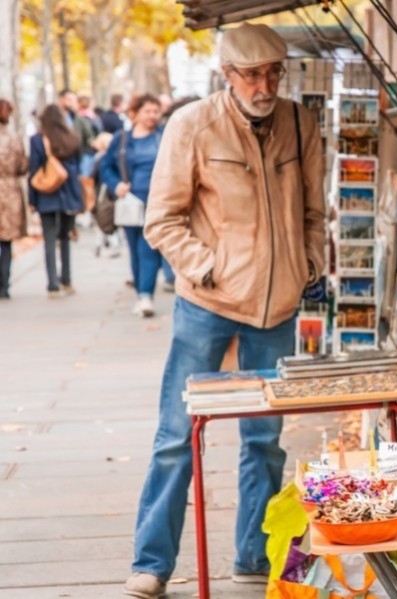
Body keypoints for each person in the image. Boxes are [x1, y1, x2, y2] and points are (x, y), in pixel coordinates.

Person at [124, 23, 325, 599]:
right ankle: (152, 563)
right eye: (252, 74)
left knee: (264, 440)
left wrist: (307, 263)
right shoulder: (191, 124)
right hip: (207, 304)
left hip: (277, 306)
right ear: (228, 75)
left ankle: (253, 558)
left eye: (272, 73)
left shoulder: (299, 123)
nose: (264, 85)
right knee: (175, 435)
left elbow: (314, 210)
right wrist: (206, 266)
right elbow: (160, 219)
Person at [100, 94, 165, 317]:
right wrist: (116, 184)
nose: (152, 116)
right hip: (130, 203)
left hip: (157, 203)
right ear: (135, 113)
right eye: (147, 111)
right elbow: (105, 168)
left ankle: (146, 295)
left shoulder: (164, 136)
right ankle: (141, 293)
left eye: (156, 111)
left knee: (148, 249)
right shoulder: (122, 139)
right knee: (135, 250)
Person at [27, 105, 83, 298]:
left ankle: (52, 284)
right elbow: (77, 170)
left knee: (49, 240)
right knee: (65, 237)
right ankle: (66, 280)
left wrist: (32, 199)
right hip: (68, 193)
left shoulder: (37, 140)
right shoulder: (72, 138)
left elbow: (33, 171)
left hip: (46, 195)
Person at [0, 99, 28, 299]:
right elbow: (23, 166)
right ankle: (4, 285)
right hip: (9, 192)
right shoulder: (14, 139)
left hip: (8, 190)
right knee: (6, 241)